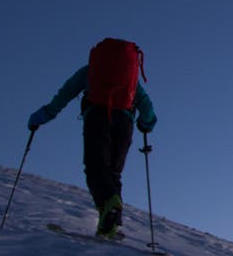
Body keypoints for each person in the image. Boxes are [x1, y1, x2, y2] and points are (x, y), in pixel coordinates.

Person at [28, 38, 157, 238]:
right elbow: (146, 104)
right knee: (113, 174)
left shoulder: (89, 72)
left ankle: (109, 207)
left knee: (95, 167)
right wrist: (146, 123)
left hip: (97, 117)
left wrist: (43, 116)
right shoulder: (129, 80)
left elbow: (64, 95)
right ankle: (113, 227)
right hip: (125, 123)